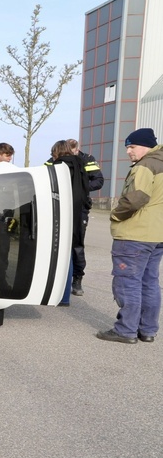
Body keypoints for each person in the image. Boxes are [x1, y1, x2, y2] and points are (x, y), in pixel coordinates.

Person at [97, 128, 163, 344]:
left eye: (132, 146)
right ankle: (147, 330)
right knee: (149, 282)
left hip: (135, 235)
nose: (128, 151)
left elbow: (136, 198)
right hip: (157, 235)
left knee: (128, 282)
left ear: (146, 146)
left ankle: (125, 330)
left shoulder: (145, 166)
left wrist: (115, 214)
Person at [45, 140, 90, 307]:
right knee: (70, 253)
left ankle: (59, 295)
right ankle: (65, 297)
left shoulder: (59, 166)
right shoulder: (80, 164)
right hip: (77, 214)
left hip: (61, 214)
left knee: (60, 255)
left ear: (56, 152)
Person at [66, 139, 105, 296]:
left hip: (80, 207)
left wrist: (80, 188)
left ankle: (77, 279)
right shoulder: (58, 158)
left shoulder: (87, 159)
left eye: (72, 152)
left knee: (77, 244)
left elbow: (99, 181)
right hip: (61, 207)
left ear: (77, 150)